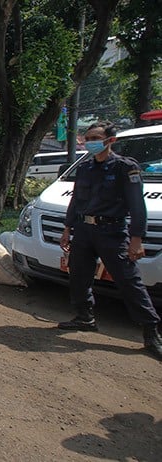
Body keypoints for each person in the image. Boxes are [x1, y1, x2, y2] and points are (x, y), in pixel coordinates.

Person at [59, 121, 162, 360]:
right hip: (84, 229)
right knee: (79, 274)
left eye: (95, 137)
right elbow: (76, 201)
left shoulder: (125, 168)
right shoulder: (85, 168)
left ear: (110, 140)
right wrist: (67, 228)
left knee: (128, 280)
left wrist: (136, 239)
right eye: (87, 138)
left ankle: (150, 332)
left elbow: (138, 207)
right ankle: (85, 317)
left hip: (112, 232)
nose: (89, 142)